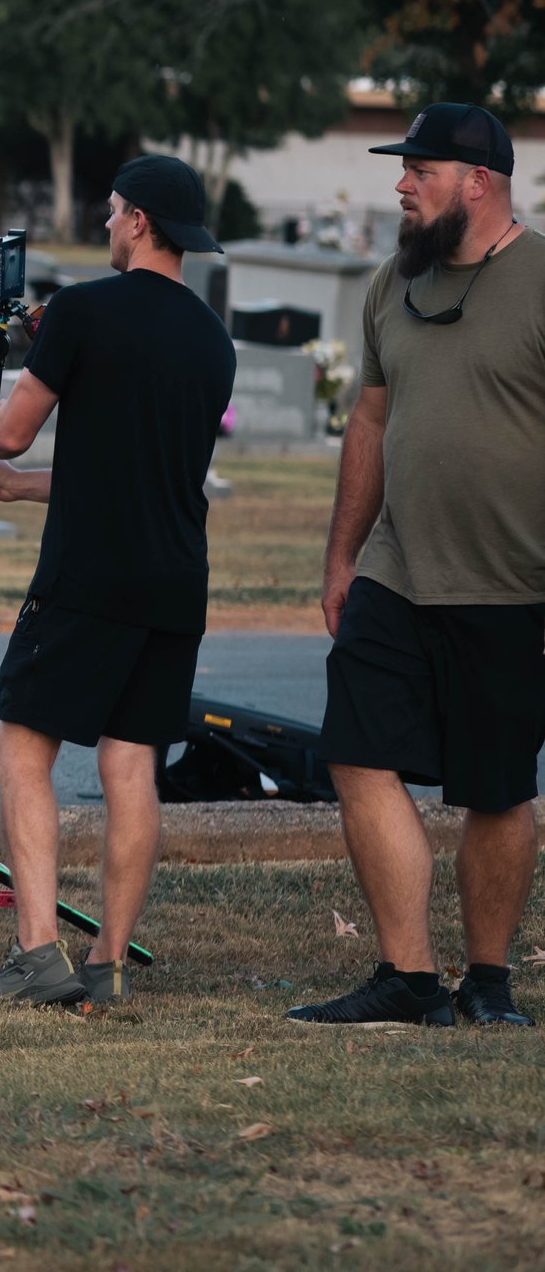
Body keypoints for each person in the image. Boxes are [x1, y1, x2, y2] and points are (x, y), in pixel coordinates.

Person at [288, 103, 542, 1029]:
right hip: (397, 569)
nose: (400, 186)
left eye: (420, 171)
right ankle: (407, 974)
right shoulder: (395, 282)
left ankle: (487, 979)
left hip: (516, 582)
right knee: (355, 749)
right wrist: (342, 555)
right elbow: (370, 420)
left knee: (497, 785)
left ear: (477, 182)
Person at [0, 155, 235, 1006]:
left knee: (19, 748)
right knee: (130, 765)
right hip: (174, 580)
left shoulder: (83, 310)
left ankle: (39, 950)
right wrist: (27, 487)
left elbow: (9, 433)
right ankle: (110, 963)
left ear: (142, 222)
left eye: (115, 212)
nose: (109, 226)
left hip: (87, 577)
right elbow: (144, 474)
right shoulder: (212, 340)